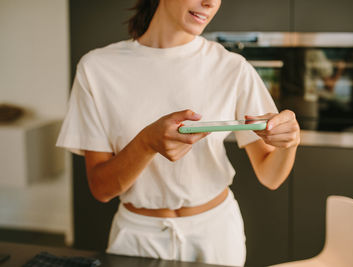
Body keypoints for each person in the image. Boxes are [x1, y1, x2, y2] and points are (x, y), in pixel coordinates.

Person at [56, 0, 300, 266]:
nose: (209, 3)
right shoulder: (96, 68)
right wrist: (146, 143)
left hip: (215, 235)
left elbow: (271, 176)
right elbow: (101, 189)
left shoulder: (232, 67)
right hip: (137, 239)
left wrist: (290, 141)